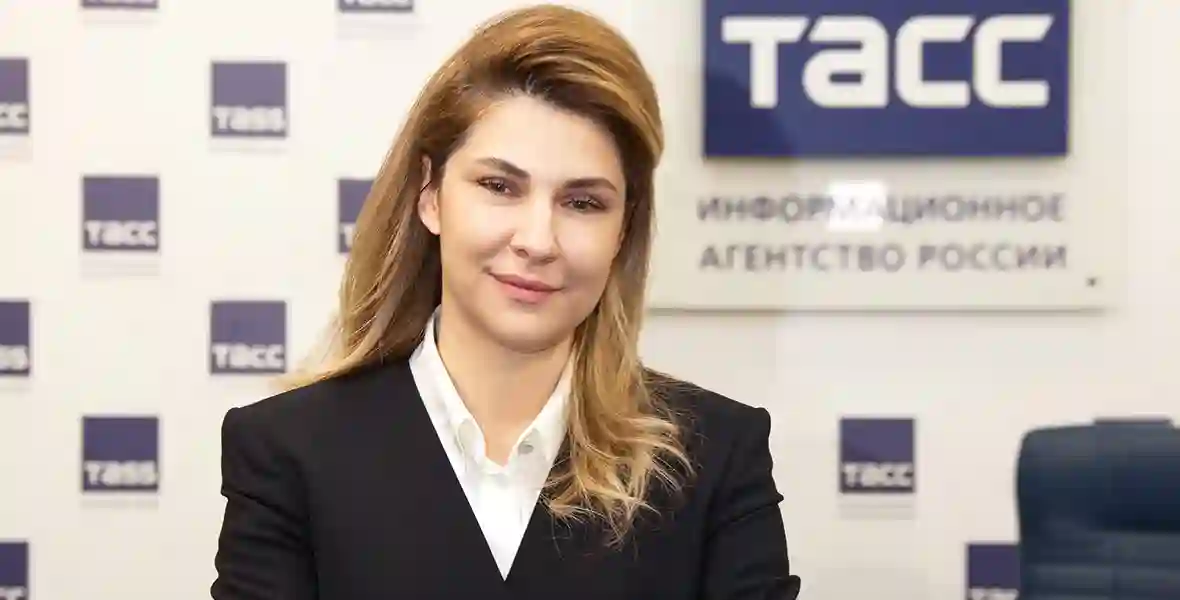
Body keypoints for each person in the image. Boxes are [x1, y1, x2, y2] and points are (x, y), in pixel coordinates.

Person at [210, 4, 801, 599]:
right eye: (499, 186)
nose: (538, 241)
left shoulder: (714, 457)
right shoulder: (291, 451)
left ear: (624, 228)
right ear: (430, 195)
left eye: (583, 203)